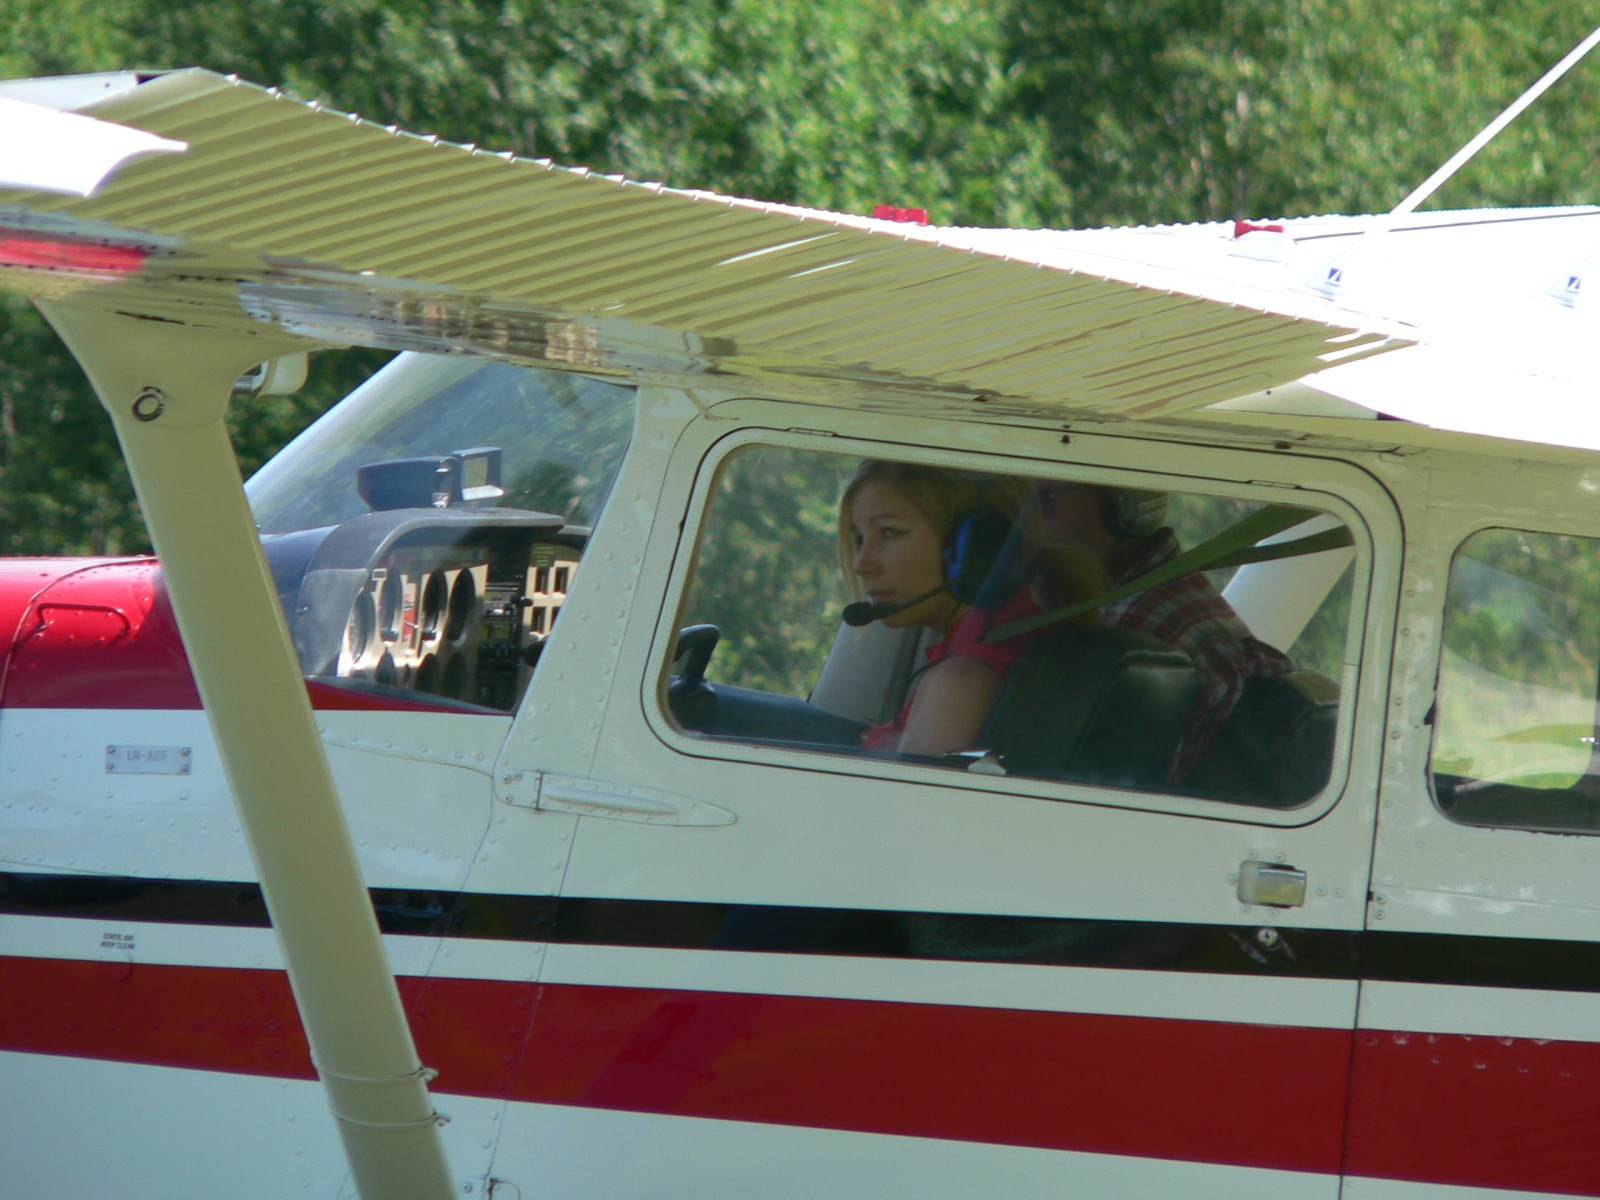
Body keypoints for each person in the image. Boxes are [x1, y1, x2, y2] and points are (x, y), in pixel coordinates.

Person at [1029, 481, 1291, 778]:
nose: (1029, 520)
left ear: (1123, 505)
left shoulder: (1128, 634)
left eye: (1047, 497)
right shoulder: (1178, 596)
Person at [838, 460, 1037, 757]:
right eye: (859, 538)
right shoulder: (997, 643)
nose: (861, 565)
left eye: (890, 532)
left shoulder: (961, 683)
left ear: (976, 545)